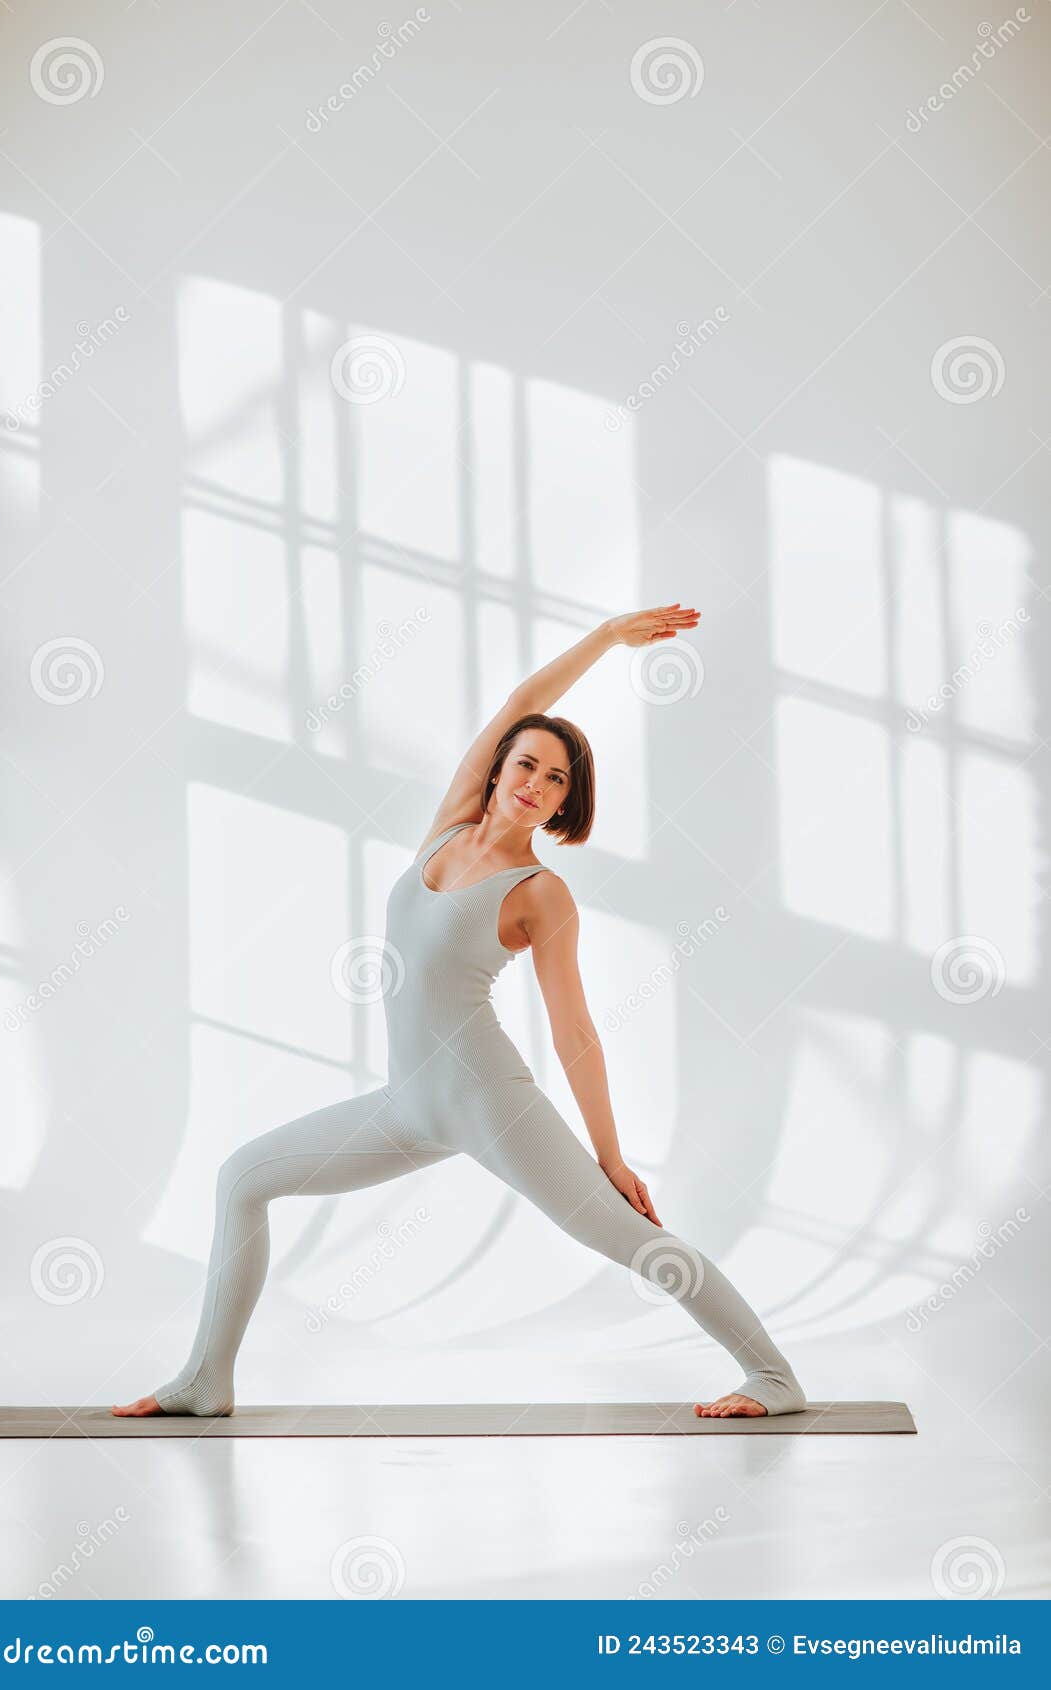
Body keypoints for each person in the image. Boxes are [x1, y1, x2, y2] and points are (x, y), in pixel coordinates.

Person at [113, 603, 806, 1420]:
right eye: (527, 764)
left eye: (556, 780)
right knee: (241, 1179)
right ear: (498, 767)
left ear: (563, 804)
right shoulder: (445, 831)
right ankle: (204, 1380)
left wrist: (610, 1158)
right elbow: (520, 702)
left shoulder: (540, 894)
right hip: (404, 1106)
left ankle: (772, 1379)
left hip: (491, 1105)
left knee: (629, 1242)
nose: (535, 784)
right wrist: (603, 640)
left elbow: (574, 1032)